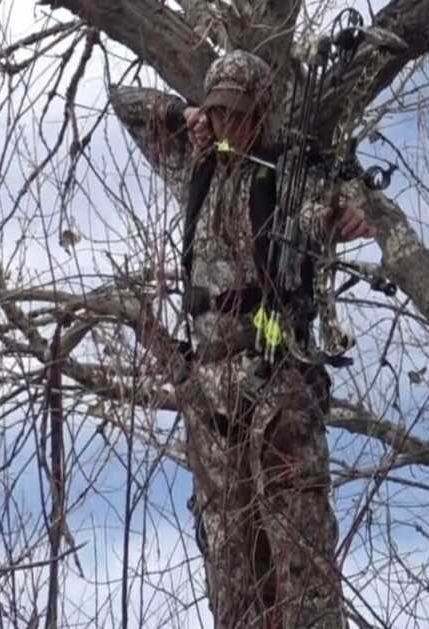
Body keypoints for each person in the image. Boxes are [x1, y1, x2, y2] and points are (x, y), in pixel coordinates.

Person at [150, 50, 376, 628]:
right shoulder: (195, 168)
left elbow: (344, 200)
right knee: (229, 564)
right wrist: (184, 116)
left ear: (263, 114)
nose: (232, 124)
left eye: (242, 113)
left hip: (275, 378)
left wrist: (350, 211)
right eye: (222, 112)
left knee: (301, 560)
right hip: (209, 389)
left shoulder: (287, 175)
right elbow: (126, 105)